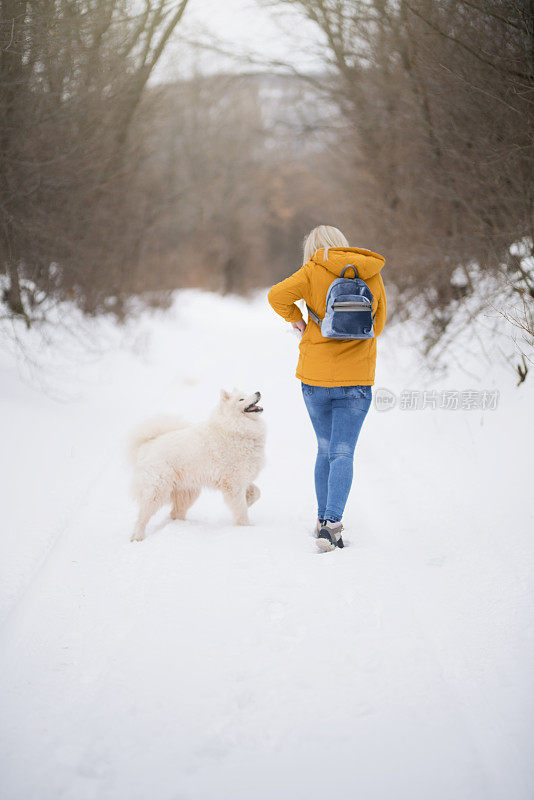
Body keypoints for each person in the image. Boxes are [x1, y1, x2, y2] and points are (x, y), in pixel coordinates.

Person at [267, 225, 387, 552]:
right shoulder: (369, 273)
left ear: (314, 248)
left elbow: (276, 295)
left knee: (324, 448)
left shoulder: (311, 271)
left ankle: (322, 521)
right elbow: (378, 325)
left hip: (315, 378)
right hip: (356, 381)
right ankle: (332, 526)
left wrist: (299, 320)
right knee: (343, 451)